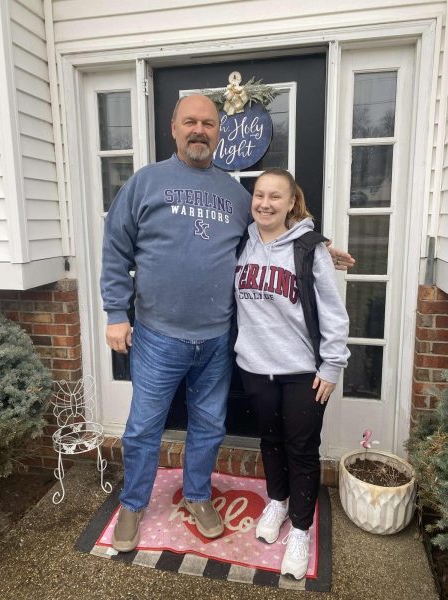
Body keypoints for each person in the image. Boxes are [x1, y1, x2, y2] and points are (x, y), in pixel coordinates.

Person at [101, 94, 353, 553]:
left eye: (208, 123)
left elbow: (272, 231)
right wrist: (116, 313)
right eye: (190, 122)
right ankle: (133, 503)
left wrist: (321, 247)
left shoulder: (237, 194)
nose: (200, 130)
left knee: (209, 425)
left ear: (219, 132)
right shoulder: (145, 183)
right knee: (143, 427)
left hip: (217, 338)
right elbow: (116, 247)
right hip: (158, 336)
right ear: (174, 129)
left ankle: (198, 495)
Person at [234, 168, 350, 580]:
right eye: (259, 195)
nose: (265, 203)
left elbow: (334, 312)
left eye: (275, 197)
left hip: (302, 371)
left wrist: (333, 364)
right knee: (270, 439)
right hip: (254, 366)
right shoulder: (241, 241)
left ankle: (301, 529)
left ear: (291, 203)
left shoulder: (308, 248)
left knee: (301, 449)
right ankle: (277, 501)